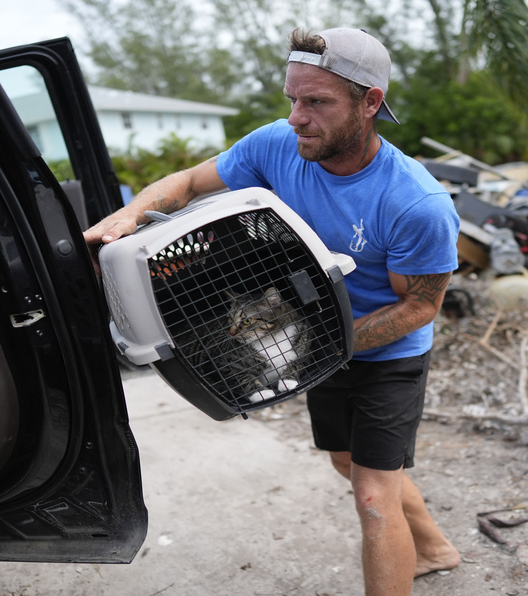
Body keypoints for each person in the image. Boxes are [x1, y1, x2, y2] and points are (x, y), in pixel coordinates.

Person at [84, 27, 461, 596]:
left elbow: (421, 307)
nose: (296, 117)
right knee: (345, 460)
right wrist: (131, 214)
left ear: (371, 102)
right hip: (318, 340)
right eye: (292, 98)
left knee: (373, 494)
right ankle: (434, 546)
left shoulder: (416, 203)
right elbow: (188, 182)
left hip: (386, 352)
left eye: (316, 103)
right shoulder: (275, 146)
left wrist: (328, 344)